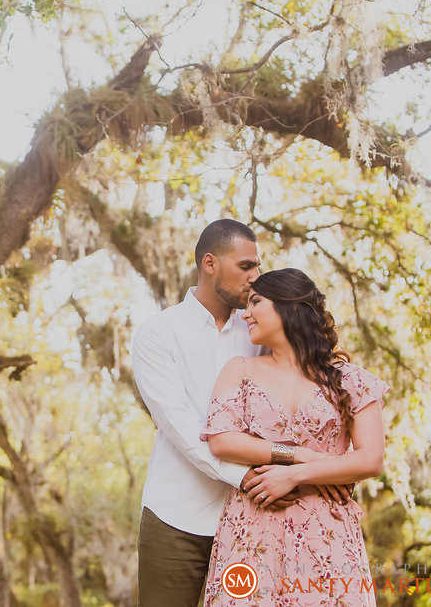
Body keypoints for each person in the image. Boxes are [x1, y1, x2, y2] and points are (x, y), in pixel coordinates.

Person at [200, 268, 387, 606]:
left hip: (326, 532)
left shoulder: (351, 379)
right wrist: (299, 455)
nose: (245, 314)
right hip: (252, 528)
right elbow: (222, 440)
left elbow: (371, 459)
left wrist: (294, 475)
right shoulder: (240, 369)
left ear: (290, 305)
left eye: (256, 302)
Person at [132, 219, 274, 606]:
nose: (256, 277)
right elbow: (181, 427)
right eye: (246, 266)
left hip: (250, 518)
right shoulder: (158, 333)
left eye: (258, 266)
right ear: (209, 263)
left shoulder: (258, 331)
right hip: (174, 519)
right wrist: (244, 477)